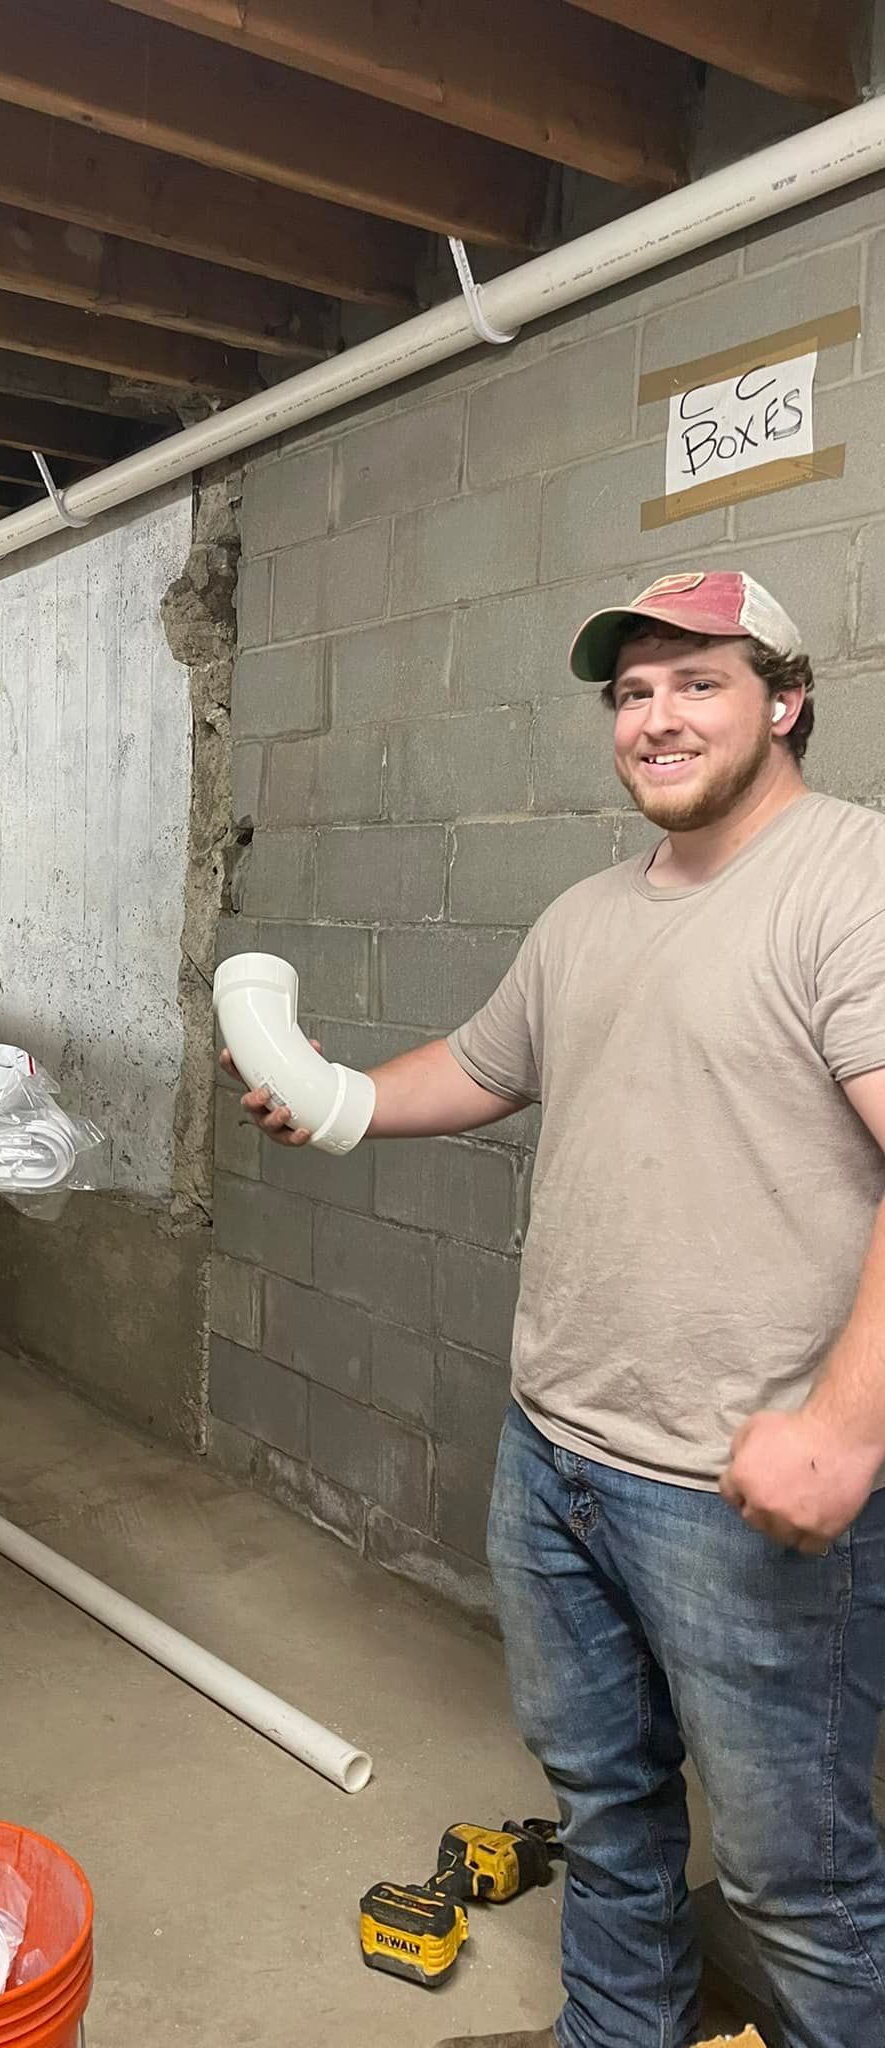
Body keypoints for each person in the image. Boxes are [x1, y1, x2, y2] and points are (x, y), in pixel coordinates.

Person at [228, 571, 885, 2048]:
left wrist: (846, 1429)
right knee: (607, 1810)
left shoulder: (853, 881)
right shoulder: (589, 914)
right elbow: (477, 1067)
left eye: (697, 684)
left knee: (797, 1884)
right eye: (632, 694)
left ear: (784, 702)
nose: (657, 718)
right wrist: (327, 1100)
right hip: (556, 1464)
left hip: (735, 1488)